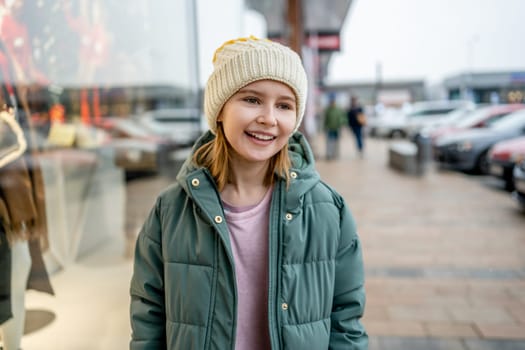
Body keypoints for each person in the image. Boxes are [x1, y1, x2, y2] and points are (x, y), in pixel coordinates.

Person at [129, 36, 367, 349]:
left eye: (284, 105)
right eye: (252, 99)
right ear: (219, 110)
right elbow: (149, 316)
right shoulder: (171, 210)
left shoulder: (327, 210)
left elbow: (345, 320)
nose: (269, 118)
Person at [323, 95, 346, 160]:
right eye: (331, 102)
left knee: (336, 142)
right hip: (329, 128)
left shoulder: (338, 109)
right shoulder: (328, 110)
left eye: (333, 102)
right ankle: (329, 154)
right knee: (329, 142)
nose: (332, 103)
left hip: (337, 128)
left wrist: (341, 123)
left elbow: (343, 118)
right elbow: (325, 119)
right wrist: (324, 127)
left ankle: (335, 154)